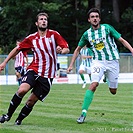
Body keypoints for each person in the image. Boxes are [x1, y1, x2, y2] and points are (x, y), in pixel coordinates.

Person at [0, 12, 69, 125]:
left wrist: (62, 51)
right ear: (37, 23)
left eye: (45, 19)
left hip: (48, 76)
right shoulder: (31, 38)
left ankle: (19, 120)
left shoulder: (54, 34)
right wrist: (4, 62)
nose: (43, 21)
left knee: (31, 101)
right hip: (34, 70)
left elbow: (66, 48)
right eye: (41, 19)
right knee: (22, 90)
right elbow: (17, 49)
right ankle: (7, 115)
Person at [67, 8, 133, 124]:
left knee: (113, 91)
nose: (95, 18)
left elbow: (121, 40)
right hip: (98, 62)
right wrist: (71, 65)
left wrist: (132, 50)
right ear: (89, 20)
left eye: (96, 16)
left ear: (100, 19)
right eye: (92, 17)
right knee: (93, 85)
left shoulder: (107, 28)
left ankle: (106, 77)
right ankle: (83, 113)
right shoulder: (87, 34)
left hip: (113, 62)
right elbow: (77, 49)